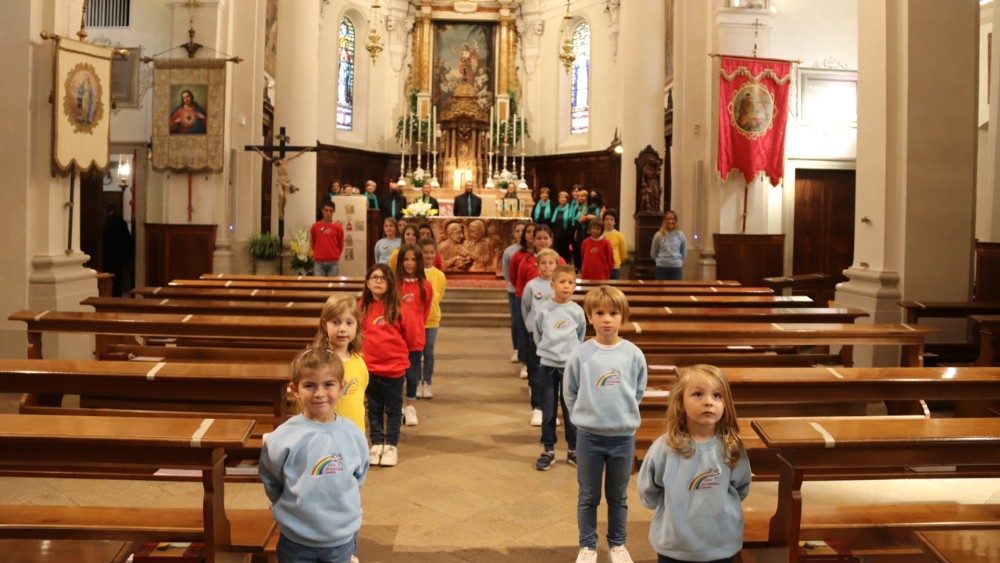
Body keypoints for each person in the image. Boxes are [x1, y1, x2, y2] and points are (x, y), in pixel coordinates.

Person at [259, 348, 369, 563]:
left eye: (329, 384)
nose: (319, 393)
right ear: (294, 389)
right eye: (309, 385)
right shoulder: (282, 437)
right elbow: (272, 480)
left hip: (340, 538)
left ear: (342, 386)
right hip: (296, 540)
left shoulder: (353, 434)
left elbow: (359, 476)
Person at [564, 285, 648, 563]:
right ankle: (587, 545)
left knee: (618, 495)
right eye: (600, 313)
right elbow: (570, 392)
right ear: (589, 316)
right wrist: (583, 418)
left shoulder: (633, 354)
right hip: (589, 436)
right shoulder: (581, 354)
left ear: (623, 316)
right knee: (588, 495)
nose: (607, 319)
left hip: (623, 436)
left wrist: (623, 415)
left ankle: (618, 544)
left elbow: (637, 390)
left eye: (613, 313)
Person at [637, 365, 751, 563]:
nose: (708, 402)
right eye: (698, 394)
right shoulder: (664, 448)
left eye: (717, 395)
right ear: (681, 403)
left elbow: (741, 488)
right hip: (675, 547)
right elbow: (648, 492)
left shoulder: (732, 448)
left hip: (719, 546)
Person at [360, 264, 416, 467]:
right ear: (367, 282)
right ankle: (376, 443)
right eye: (374, 277)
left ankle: (391, 444)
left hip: (393, 368)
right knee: (373, 408)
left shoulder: (399, 307)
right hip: (369, 367)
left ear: (390, 283)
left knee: (393, 409)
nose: (378, 281)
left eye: (383, 278)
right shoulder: (362, 306)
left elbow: (410, 336)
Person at [532, 263, 586, 471]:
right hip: (547, 365)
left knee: (570, 409)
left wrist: (570, 356)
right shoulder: (544, 311)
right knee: (548, 408)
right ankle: (548, 449)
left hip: (569, 367)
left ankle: (573, 449)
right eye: (562, 282)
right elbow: (538, 335)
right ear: (552, 284)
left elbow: (580, 335)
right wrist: (548, 352)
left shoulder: (577, 312)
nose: (566, 286)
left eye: (571, 282)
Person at [514, 224, 563, 425]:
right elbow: (525, 308)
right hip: (536, 336)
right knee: (536, 372)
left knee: (553, 374)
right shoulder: (531, 286)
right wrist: (530, 326)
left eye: (551, 263)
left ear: (557, 265)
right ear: (537, 265)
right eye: (543, 263)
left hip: (557, 338)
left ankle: (551, 409)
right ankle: (537, 408)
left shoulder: (561, 284)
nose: (547, 267)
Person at [312, 296, 368, 432]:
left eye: (349, 323)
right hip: (327, 433)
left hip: (355, 432)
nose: (342, 329)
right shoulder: (319, 362)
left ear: (357, 325)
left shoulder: (358, 361)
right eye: (336, 322)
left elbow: (361, 394)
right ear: (325, 325)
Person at [395, 243, 432, 427]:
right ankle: (395, 406)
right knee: (396, 375)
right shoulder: (394, 284)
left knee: (412, 375)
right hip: (395, 340)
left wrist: (415, 328)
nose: (409, 263)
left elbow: (424, 313)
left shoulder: (425, 286)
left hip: (415, 339)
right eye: (406, 259)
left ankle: (409, 406)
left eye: (413, 259)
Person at [417, 238, 446, 399]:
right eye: (425, 252)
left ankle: (427, 382)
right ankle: (416, 382)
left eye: (431, 252)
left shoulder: (439, 275)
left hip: (432, 319)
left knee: (428, 351)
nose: (428, 255)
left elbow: (438, 295)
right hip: (416, 320)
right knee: (416, 353)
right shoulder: (416, 273)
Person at [508, 223, 537, 381]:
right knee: (524, 330)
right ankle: (525, 363)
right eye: (530, 233)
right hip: (523, 295)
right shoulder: (520, 256)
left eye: (536, 233)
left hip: (543, 297)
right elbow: (514, 277)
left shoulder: (551, 257)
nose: (532, 236)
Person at [501, 222, 528, 363]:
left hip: (530, 291)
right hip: (514, 290)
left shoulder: (530, 250)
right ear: (514, 233)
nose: (520, 233)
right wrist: (517, 284)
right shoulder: (509, 251)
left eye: (523, 230)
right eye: (517, 231)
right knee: (516, 321)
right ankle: (517, 349)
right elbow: (507, 272)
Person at [102, 203, 132, 297]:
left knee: (112, 277)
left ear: (107, 211)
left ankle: (112, 294)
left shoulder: (109, 221)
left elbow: (106, 238)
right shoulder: (120, 220)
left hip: (111, 255)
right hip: (120, 255)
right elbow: (126, 238)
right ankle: (117, 294)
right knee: (118, 277)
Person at [651, 210, 687, 281]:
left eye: (672, 219)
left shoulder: (680, 235)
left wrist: (677, 261)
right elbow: (653, 253)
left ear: (676, 221)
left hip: (676, 268)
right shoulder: (658, 235)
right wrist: (661, 261)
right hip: (661, 268)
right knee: (661, 291)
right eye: (668, 219)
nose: (670, 221)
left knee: (675, 291)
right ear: (664, 221)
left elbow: (684, 252)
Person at [311, 202, 345, 277]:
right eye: (326, 210)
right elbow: (313, 243)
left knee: (332, 287)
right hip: (319, 263)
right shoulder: (315, 226)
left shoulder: (338, 227)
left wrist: (335, 256)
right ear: (322, 211)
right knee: (319, 286)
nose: (328, 213)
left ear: (334, 212)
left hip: (333, 263)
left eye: (330, 211)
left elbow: (340, 244)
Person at [602, 209, 629, 280]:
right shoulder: (600, 235)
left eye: (611, 219)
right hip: (603, 266)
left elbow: (623, 253)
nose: (609, 221)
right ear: (603, 221)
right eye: (606, 219)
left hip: (615, 267)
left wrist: (617, 262)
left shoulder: (619, 235)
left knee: (614, 289)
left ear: (615, 222)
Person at [551, 191, 574, 265]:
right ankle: (558, 265)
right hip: (557, 233)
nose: (562, 199)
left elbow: (570, 222)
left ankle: (565, 265)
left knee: (565, 252)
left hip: (566, 234)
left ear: (567, 199)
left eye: (564, 197)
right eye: (561, 197)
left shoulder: (570, 208)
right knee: (557, 251)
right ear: (558, 199)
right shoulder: (556, 208)